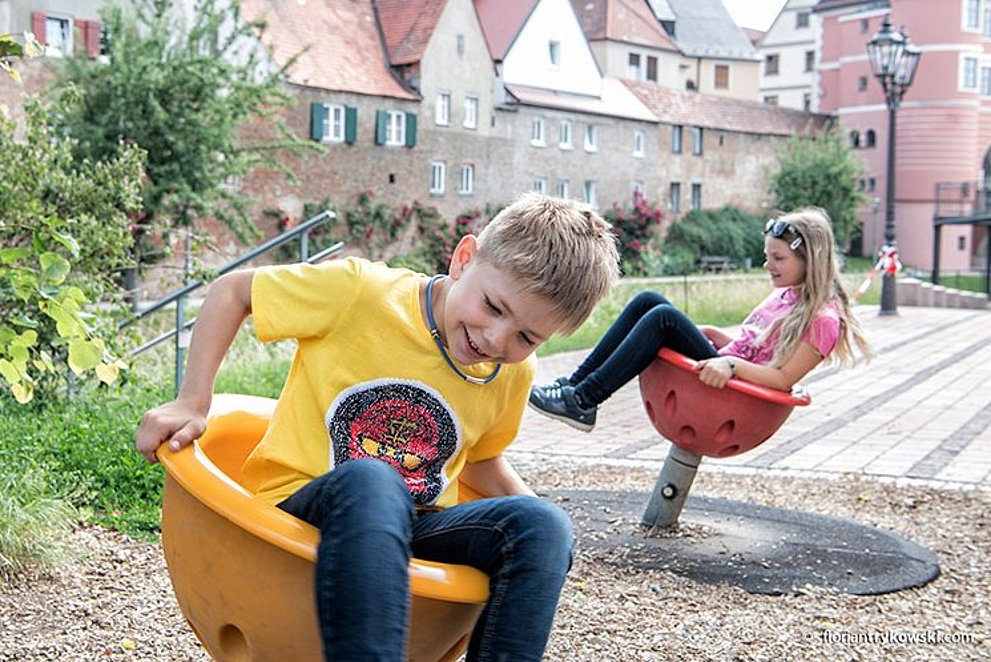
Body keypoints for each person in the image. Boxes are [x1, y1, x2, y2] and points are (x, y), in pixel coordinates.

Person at [134, 193, 619, 661]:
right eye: (493, 307)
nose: (495, 339)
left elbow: (482, 462)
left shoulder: (512, 373)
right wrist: (193, 401)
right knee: (373, 479)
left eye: (527, 336)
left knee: (546, 526)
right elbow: (234, 292)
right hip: (304, 504)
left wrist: (539, 522)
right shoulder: (362, 293)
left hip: (411, 524)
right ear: (464, 259)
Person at [529, 207, 872, 432]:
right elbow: (759, 346)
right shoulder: (790, 293)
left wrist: (731, 366)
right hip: (725, 367)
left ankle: (584, 400)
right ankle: (573, 387)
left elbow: (782, 378)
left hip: (736, 389)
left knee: (662, 318)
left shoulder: (825, 319)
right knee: (648, 300)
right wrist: (721, 339)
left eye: (778, 258)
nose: (768, 265)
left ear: (810, 259)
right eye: (767, 256)